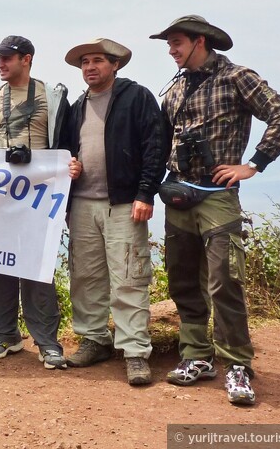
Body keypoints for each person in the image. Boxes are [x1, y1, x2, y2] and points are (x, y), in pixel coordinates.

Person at [149, 15, 280, 404]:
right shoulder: (175, 88)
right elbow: (163, 137)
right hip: (179, 194)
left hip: (217, 196)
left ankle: (237, 365)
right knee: (182, 279)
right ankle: (196, 356)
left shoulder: (237, 78)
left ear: (200, 41)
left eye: (177, 42)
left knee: (224, 282)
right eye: (169, 44)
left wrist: (253, 165)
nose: (171, 50)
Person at [59, 38, 166, 385]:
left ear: (115, 64)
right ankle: (94, 340)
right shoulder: (76, 106)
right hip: (82, 204)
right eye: (85, 62)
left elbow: (155, 145)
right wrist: (69, 167)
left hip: (124, 203)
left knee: (129, 278)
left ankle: (135, 352)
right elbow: (65, 152)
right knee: (85, 277)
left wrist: (145, 192)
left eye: (98, 61)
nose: (90, 67)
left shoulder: (137, 97)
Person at [0, 35, 72, 369]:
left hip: (39, 193)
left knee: (36, 265)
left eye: (7, 58)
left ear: (26, 59)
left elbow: (67, 143)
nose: (0, 63)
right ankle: (4, 335)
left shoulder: (53, 96)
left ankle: (47, 342)